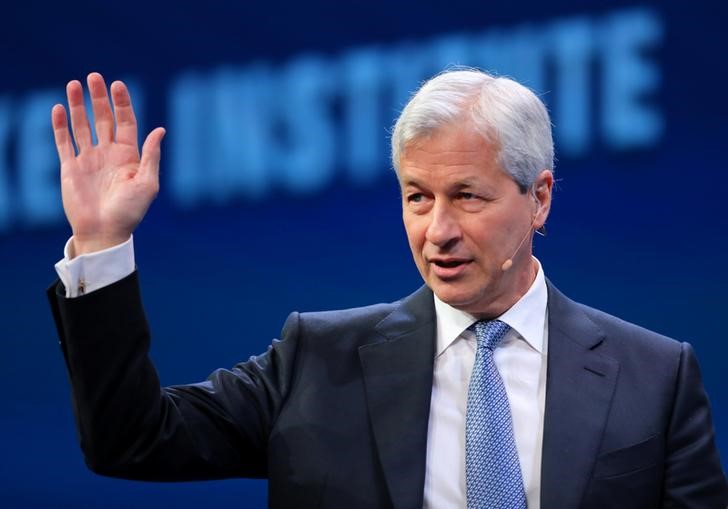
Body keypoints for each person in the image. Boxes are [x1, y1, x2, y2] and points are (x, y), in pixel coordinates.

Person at [48, 69, 728, 509]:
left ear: (539, 197)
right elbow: (129, 439)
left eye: (466, 196)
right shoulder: (317, 359)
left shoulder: (654, 376)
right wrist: (104, 247)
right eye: (417, 197)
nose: (438, 231)